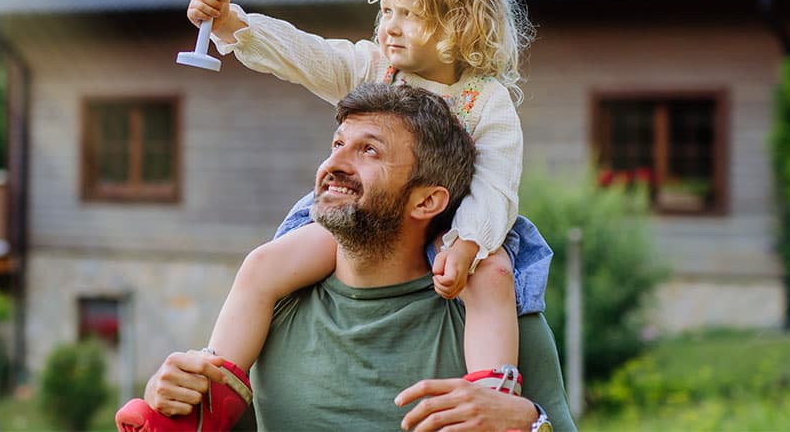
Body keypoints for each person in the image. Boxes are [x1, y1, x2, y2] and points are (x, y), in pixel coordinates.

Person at [118, 83, 574, 431]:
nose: (334, 164)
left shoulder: (498, 319)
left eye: (368, 150)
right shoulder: (276, 303)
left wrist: (527, 422)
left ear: (426, 202)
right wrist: (175, 399)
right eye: (337, 144)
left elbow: (539, 423)